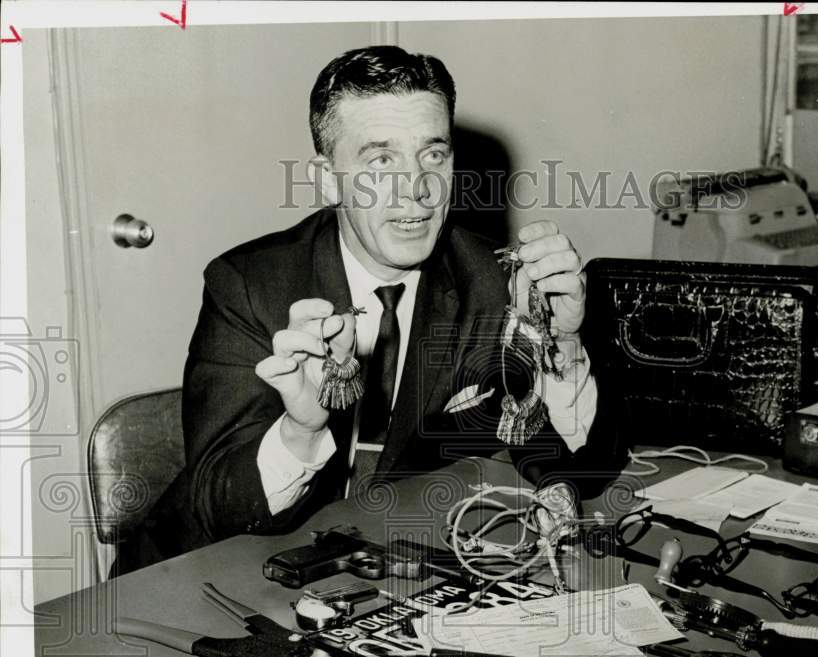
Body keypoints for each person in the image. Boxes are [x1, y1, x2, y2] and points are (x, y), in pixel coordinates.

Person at [113, 45, 623, 575]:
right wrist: (300, 430)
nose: (418, 190)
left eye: (433, 154)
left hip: (374, 570)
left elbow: (583, 469)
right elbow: (217, 508)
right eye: (381, 160)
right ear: (328, 178)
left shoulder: (489, 282)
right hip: (206, 569)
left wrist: (563, 344)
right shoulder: (248, 284)